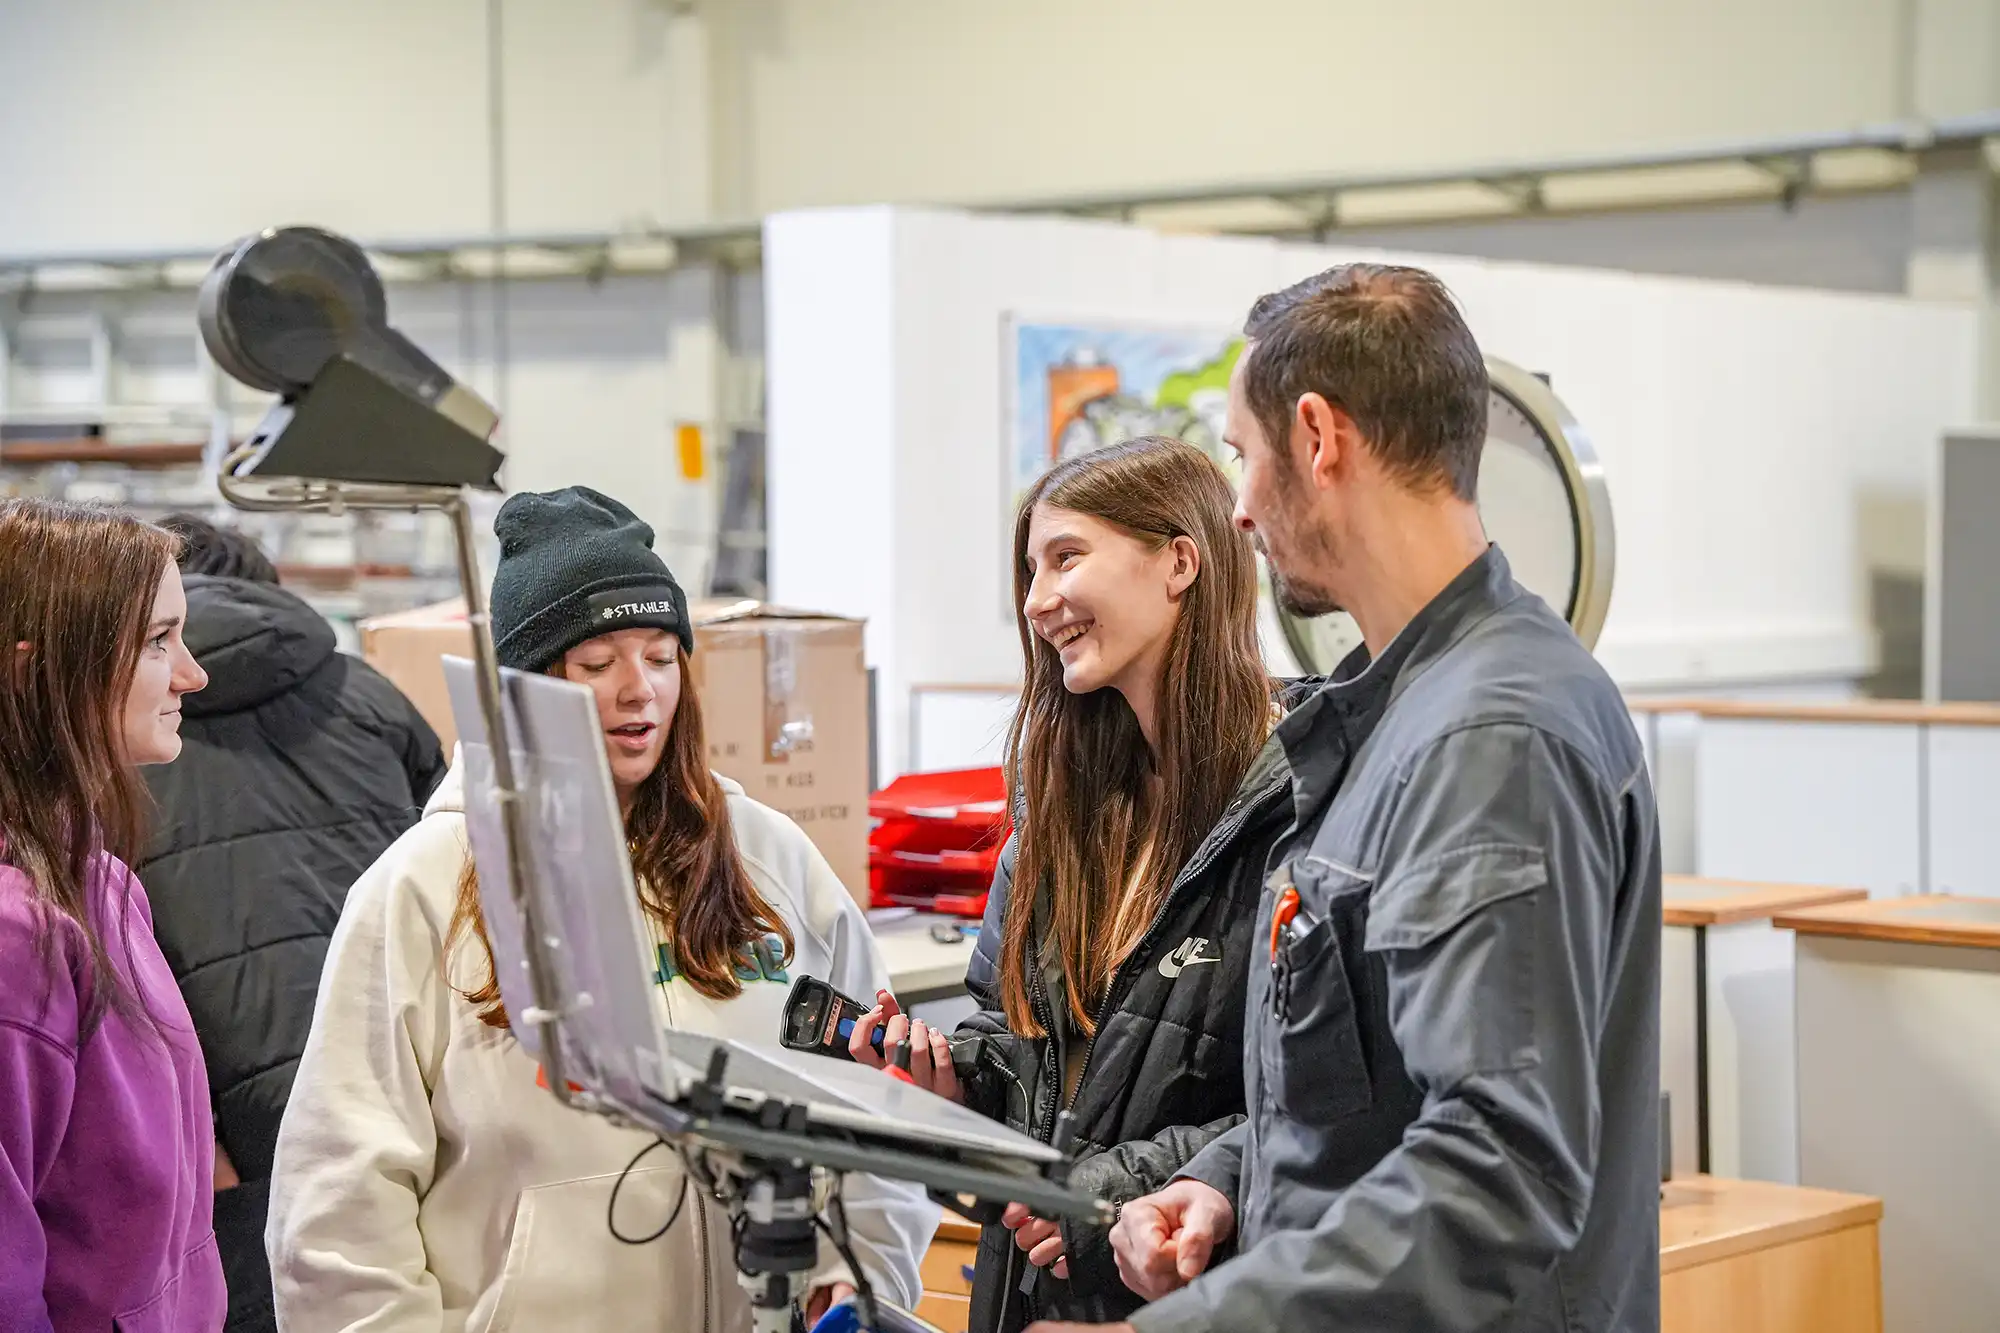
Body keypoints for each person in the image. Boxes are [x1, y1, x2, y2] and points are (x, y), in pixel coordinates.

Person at [1031, 266, 1663, 1333]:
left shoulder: (1487, 738)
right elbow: (1373, 1088)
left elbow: (1497, 1172)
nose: (1234, 506)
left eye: (1242, 454)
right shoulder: (1398, 714)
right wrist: (1232, 1179)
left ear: (1317, 437)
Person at [265, 486, 935, 1329]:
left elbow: (877, 1100)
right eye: (597, 662)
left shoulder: (770, 860)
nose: (638, 691)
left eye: (660, 655)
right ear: (526, 681)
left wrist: (855, 1274)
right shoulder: (424, 887)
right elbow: (337, 1212)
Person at [850, 437, 1304, 1332]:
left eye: (1067, 557)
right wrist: (954, 1095)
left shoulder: (1304, 804)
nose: (1037, 601)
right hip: (1029, 1300)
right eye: (1031, 569)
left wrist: (1097, 1195)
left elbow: (1316, 1114)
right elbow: (1021, 1045)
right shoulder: (1062, 809)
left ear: (1179, 563)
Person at [139, 514, 446, 1333]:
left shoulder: (121, 722)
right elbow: (463, 883)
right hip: (395, 1105)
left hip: (224, 1154)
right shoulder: (373, 695)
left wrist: (209, 1150)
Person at [0, 498, 226, 1330]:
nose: (191, 674)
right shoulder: (14, 935)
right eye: (157, 640)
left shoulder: (102, 882)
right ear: (35, 666)